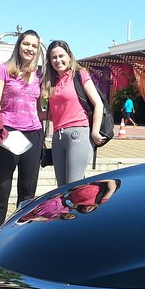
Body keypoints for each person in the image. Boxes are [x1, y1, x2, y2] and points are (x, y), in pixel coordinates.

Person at [0, 29, 44, 234]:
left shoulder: (40, 75)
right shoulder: (4, 70)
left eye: (34, 46)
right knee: (2, 188)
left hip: (33, 134)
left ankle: (20, 234)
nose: (30, 48)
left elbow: (40, 108)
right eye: (26, 44)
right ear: (19, 45)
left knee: (28, 189)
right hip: (7, 133)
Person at [41, 40, 106, 187]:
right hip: (58, 137)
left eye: (61, 56)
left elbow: (98, 103)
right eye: (54, 57)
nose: (58, 60)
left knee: (73, 187)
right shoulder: (52, 82)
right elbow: (55, 114)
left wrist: (95, 131)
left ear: (69, 57)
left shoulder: (79, 75)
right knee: (62, 189)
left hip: (78, 134)